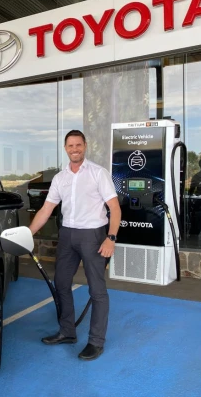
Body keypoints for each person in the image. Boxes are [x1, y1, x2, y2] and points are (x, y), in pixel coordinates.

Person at [29, 130, 121, 361]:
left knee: (97, 290)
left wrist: (110, 238)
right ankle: (67, 332)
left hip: (93, 235)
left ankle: (96, 342)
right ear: (65, 148)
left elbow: (115, 208)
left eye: (78, 145)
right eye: (70, 146)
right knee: (61, 283)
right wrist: (28, 233)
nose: (75, 149)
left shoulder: (98, 173)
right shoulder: (60, 178)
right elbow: (46, 209)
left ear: (85, 146)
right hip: (67, 235)